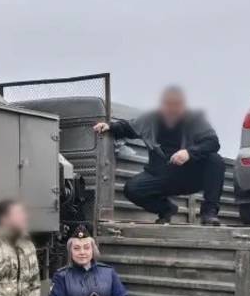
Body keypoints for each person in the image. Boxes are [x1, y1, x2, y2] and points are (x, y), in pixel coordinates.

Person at [94, 85, 224, 226]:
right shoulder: (151, 119)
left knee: (215, 160)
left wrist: (189, 153)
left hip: (190, 174)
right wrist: (110, 126)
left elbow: (213, 142)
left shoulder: (195, 120)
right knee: (132, 189)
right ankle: (167, 209)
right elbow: (128, 127)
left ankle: (209, 213)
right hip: (161, 173)